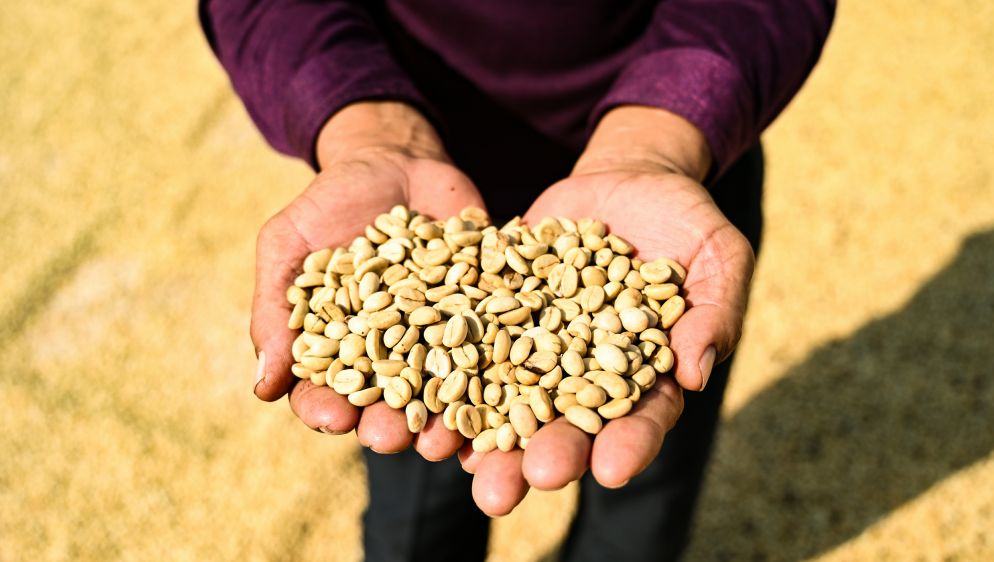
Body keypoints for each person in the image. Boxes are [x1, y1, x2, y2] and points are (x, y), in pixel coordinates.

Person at [201, 1, 835, 560]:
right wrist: (364, 123)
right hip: (416, 167)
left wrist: (663, 135)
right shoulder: (402, 305)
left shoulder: (637, 275)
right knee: (417, 508)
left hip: (671, 180)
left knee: (643, 499)